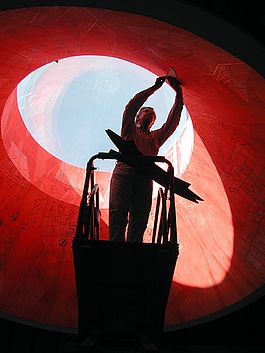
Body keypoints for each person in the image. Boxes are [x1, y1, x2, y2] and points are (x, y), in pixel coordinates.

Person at [109, 73, 183, 242]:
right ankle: (115, 248)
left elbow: (172, 122)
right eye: (146, 111)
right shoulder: (129, 131)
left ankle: (133, 251)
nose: (150, 113)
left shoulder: (155, 138)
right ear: (138, 117)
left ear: (153, 122)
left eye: (152, 114)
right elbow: (132, 106)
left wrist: (179, 94)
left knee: (140, 218)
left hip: (145, 176)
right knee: (118, 211)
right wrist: (154, 89)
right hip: (124, 171)